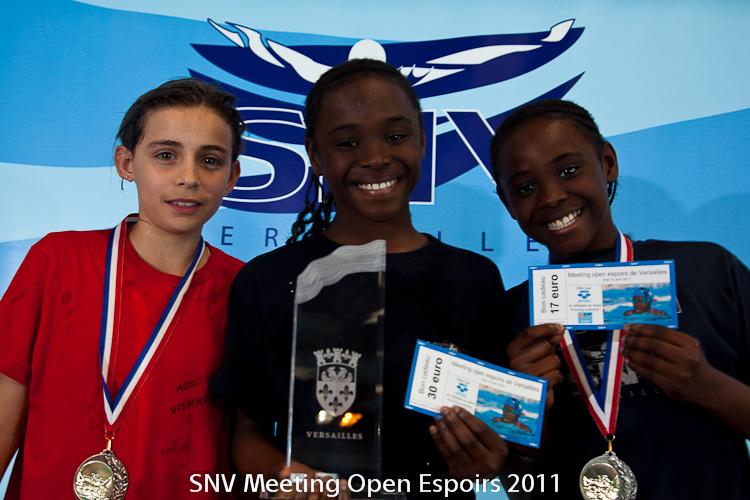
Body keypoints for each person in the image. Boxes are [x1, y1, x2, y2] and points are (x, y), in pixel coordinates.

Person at [211, 59, 511, 498]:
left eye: (396, 136)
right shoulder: (268, 281)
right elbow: (247, 432)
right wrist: (283, 476)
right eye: (348, 142)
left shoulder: (476, 280)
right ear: (315, 155)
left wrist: (486, 462)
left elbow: (498, 437)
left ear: (422, 140)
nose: (375, 157)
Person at [490, 99, 750, 499]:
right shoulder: (510, 317)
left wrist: (707, 386)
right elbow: (518, 485)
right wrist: (526, 422)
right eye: (525, 188)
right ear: (507, 203)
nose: (551, 196)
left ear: (607, 163)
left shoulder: (708, 272)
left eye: (568, 170)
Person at [0, 78, 245, 498]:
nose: (189, 177)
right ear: (127, 163)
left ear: (232, 176)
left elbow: (246, 434)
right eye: (166, 155)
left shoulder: (244, 287)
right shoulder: (57, 259)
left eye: (209, 160)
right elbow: (6, 399)